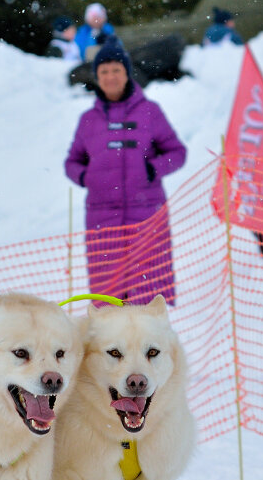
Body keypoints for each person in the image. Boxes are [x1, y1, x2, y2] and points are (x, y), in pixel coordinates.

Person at [64, 38, 186, 305]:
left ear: (126, 73)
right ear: (97, 76)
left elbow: (177, 153)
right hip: (101, 218)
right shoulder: (88, 120)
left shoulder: (150, 112)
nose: (110, 77)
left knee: (148, 295)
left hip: (146, 214)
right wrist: (85, 177)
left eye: (116, 70)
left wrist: (152, 169)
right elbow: (72, 162)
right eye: (104, 71)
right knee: (108, 299)